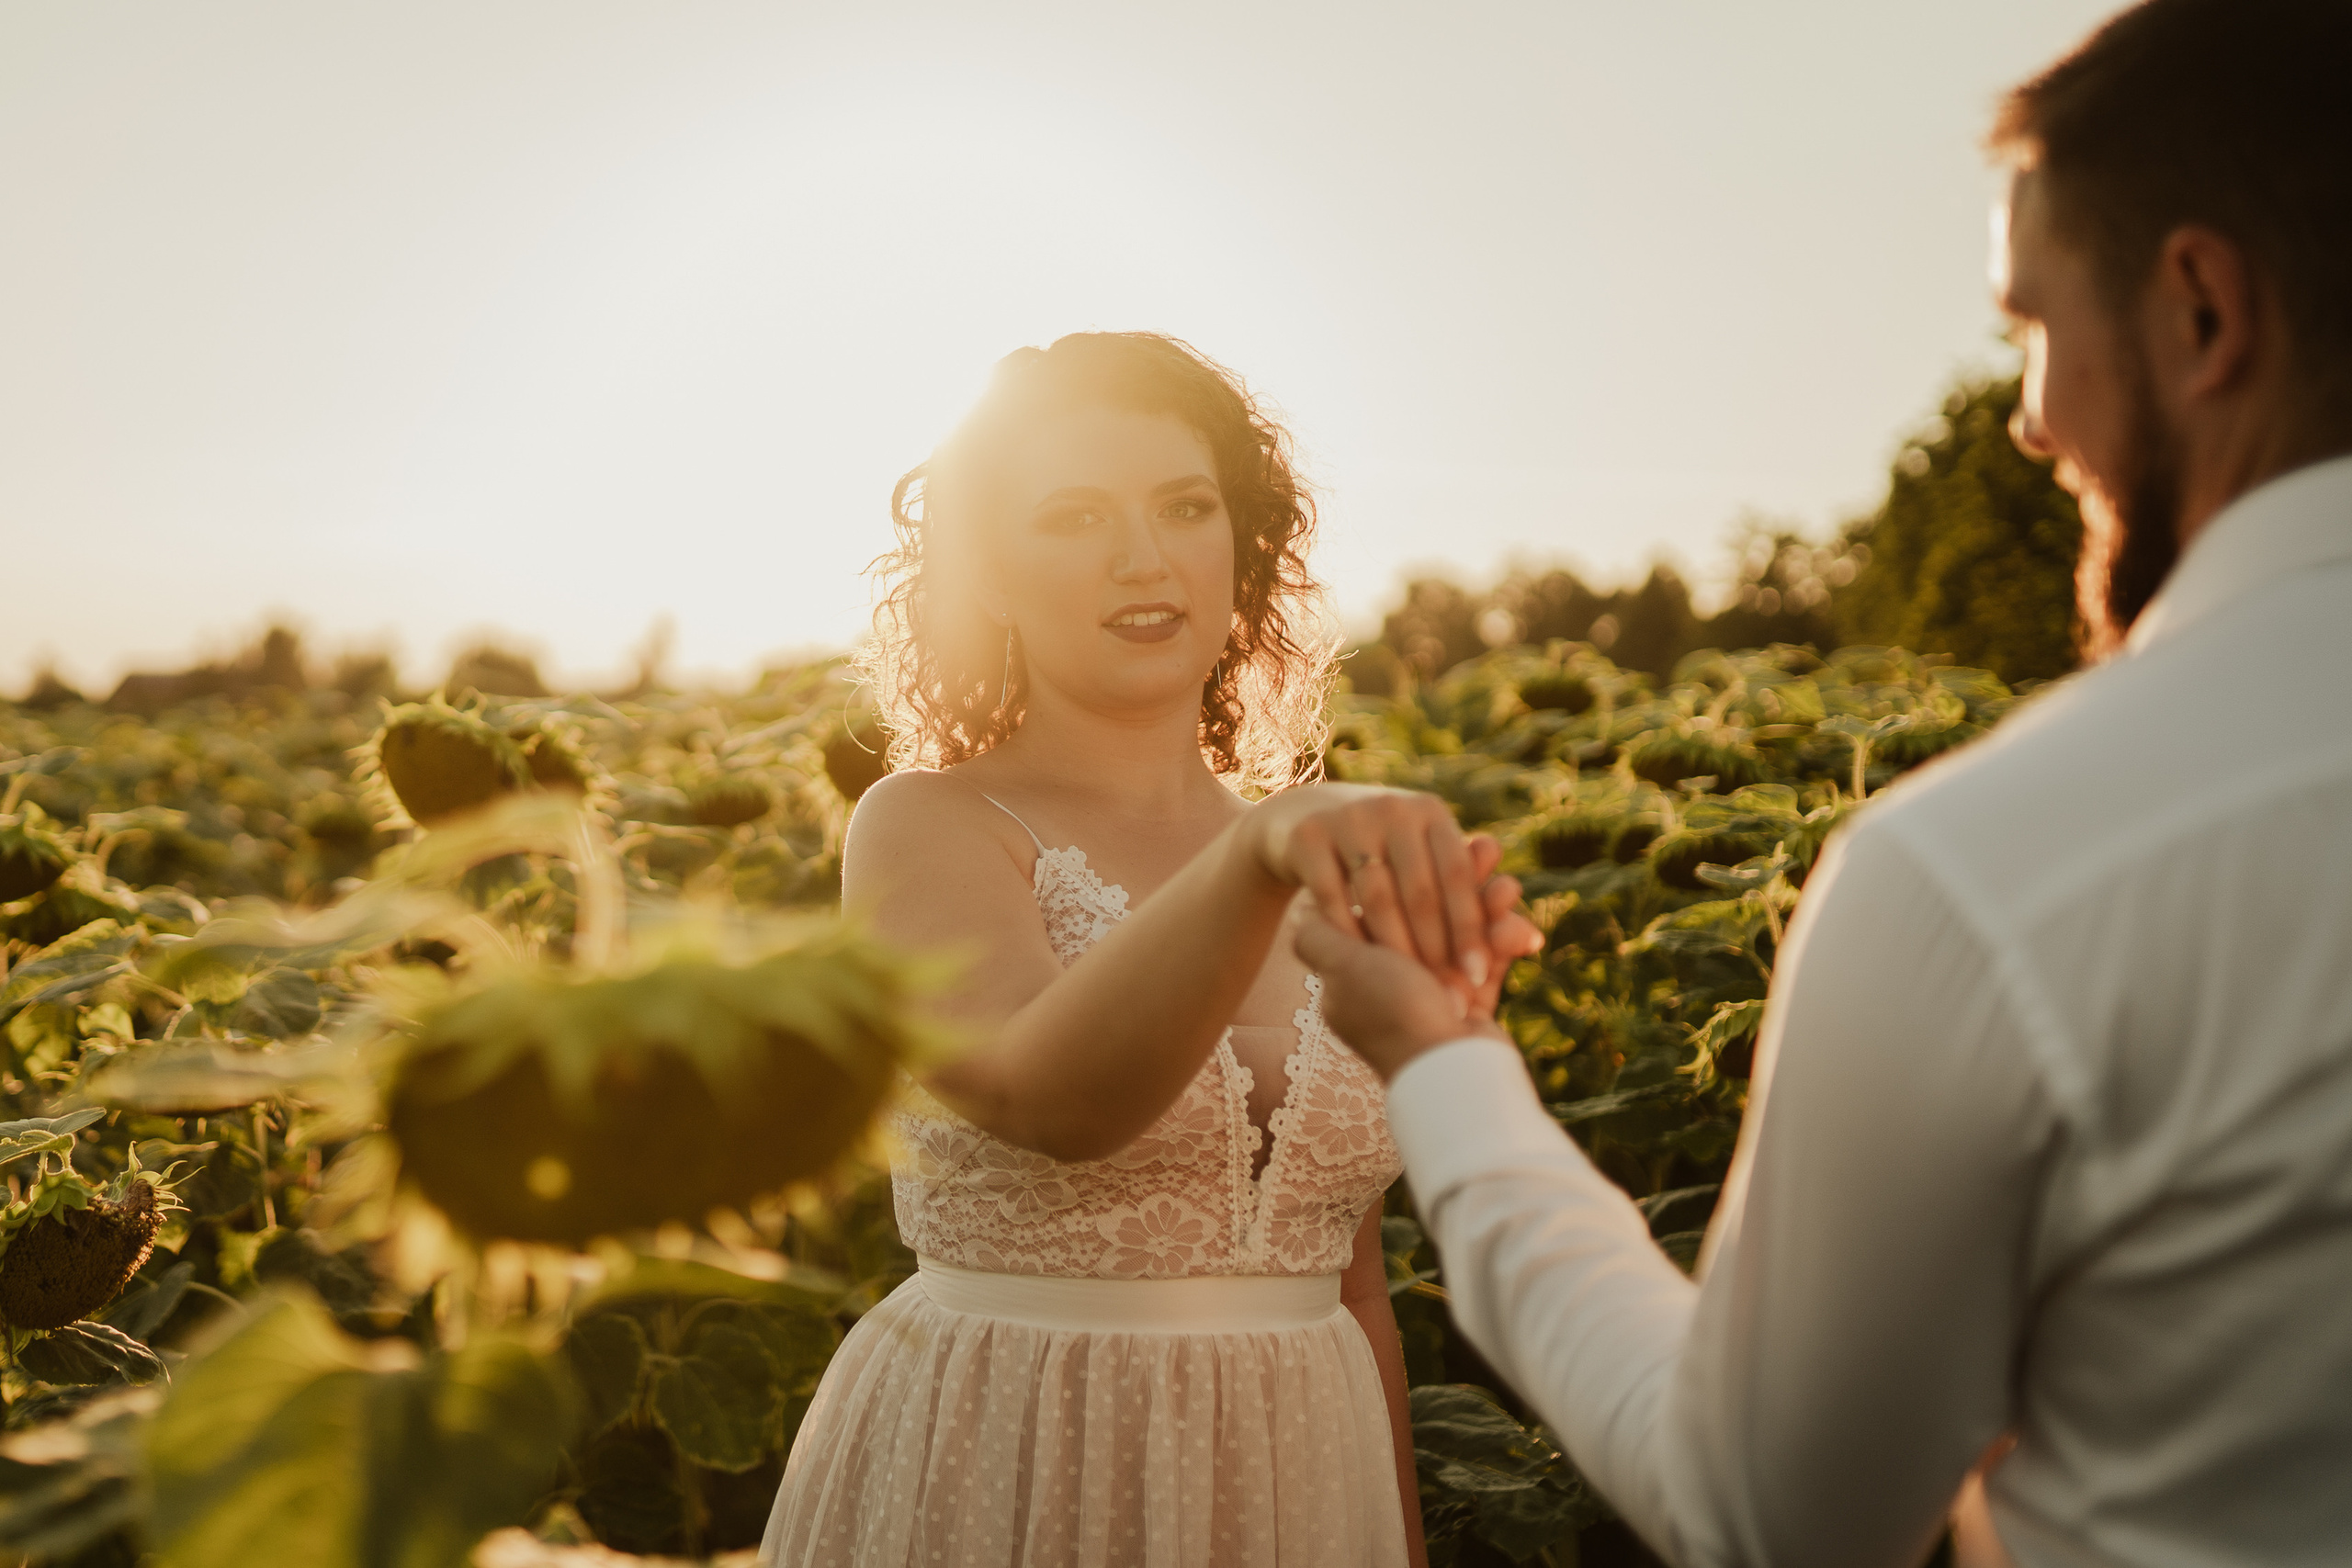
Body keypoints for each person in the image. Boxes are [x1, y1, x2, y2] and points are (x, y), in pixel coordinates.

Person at [1295, 2, 2352, 1565]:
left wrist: (1446, 1071)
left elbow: (1767, 1512)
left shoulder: (1998, 873)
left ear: (2202, 309)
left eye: (2032, 326)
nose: (2030, 414)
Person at [759, 332, 1526, 1568]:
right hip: (1005, 1464)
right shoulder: (925, 826)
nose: (1143, 555)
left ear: (1241, 548)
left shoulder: (1318, 853)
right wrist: (1261, 851)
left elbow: (1355, 1285)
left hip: (1299, 1482)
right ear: (990, 574)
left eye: (1185, 505)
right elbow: (1047, 1095)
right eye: (1074, 517)